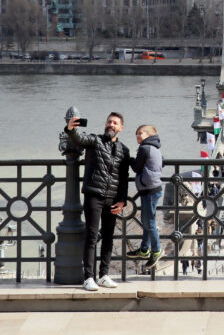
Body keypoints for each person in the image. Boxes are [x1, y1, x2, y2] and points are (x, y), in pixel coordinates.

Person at [66, 112, 130, 292]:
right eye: (109, 121)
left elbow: (123, 177)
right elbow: (79, 138)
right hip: (94, 195)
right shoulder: (95, 141)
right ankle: (88, 277)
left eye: (115, 123)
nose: (111, 125)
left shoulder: (124, 150)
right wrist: (71, 129)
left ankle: (104, 275)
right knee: (92, 236)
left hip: (113, 199)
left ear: (121, 128)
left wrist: (122, 200)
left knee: (108, 237)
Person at [126, 125, 164, 269]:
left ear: (148, 135)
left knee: (149, 222)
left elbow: (136, 167)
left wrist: (129, 159)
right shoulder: (156, 147)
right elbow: (162, 161)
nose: (137, 136)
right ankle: (144, 249)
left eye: (140, 133)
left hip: (149, 189)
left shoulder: (144, 148)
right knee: (148, 220)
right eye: (136, 133)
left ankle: (156, 250)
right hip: (153, 188)